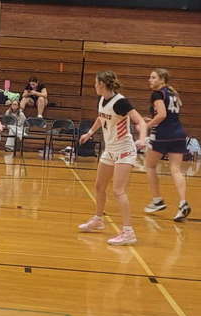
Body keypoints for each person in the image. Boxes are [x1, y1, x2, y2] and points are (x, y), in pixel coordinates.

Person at [77, 71, 147, 246]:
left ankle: (128, 232)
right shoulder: (102, 99)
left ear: (102, 84)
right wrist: (90, 133)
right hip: (110, 150)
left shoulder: (121, 102)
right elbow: (101, 118)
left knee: (118, 190)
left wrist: (143, 138)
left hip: (124, 150)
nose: (94, 85)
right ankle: (98, 220)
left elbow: (140, 121)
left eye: (95, 83)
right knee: (99, 186)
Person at [143, 67, 191, 222]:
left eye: (153, 77)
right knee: (176, 169)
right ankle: (183, 203)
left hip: (163, 134)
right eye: (150, 77)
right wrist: (151, 120)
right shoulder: (173, 93)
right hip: (178, 133)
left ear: (162, 80)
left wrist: (148, 126)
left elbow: (162, 115)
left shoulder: (158, 93)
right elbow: (169, 114)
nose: (150, 80)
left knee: (149, 166)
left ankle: (157, 200)